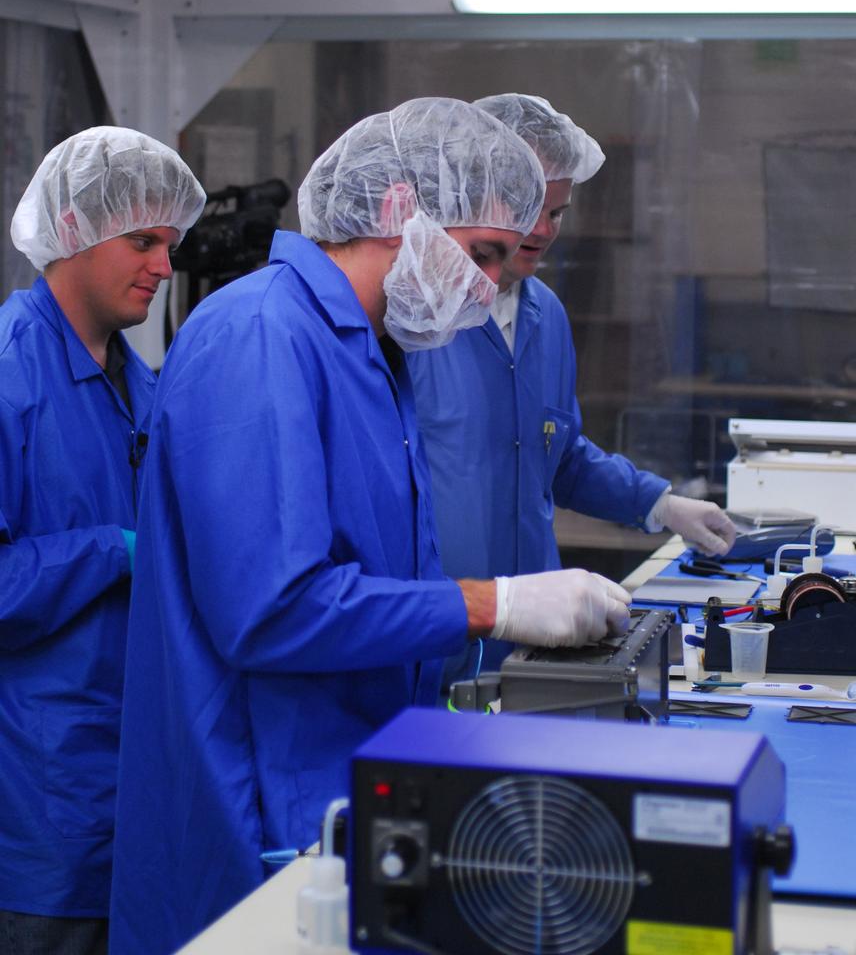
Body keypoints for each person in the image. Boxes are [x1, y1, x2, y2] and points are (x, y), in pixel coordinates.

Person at [108, 97, 633, 955]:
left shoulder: (375, 351)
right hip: (260, 816)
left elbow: (381, 580)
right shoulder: (260, 336)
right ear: (397, 208)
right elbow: (272, 610)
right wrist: (492, 606)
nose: (490, 284)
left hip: (348, 787)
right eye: (481, 254)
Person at [409, 93, 736, 679]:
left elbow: (556, 455)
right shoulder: (415, 319)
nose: (541, 230)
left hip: (533, 643)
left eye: (557, 212)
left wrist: (658, 504)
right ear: (469, 192)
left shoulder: (547, 317)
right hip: (431, 639)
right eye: (528, 206)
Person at [0, 127, 205, 955]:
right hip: (41, 813)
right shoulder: (11, 376)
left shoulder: (141, 385)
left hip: (137, 790)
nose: (164, 266)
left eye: (171, 245)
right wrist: (112, 551)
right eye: (143, 241)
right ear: (74, 229)